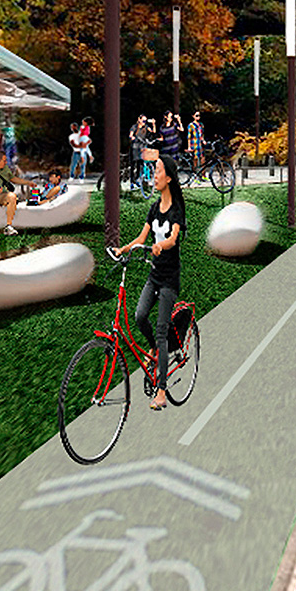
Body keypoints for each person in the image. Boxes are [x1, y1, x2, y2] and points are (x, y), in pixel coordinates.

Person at [112, 154, 185, 412]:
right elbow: (142, 235)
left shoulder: (176, 208)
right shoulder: (154, 208)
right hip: (153, 275)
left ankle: (162, 391)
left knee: (162, 329)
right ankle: (154, 348)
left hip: (168, 280)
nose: (154, 176)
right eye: (154, 171)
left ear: (169, 177)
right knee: (140, 316)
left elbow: (173, 239)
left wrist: (160, 245)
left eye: (157, 171)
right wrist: (124, 248)